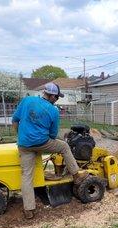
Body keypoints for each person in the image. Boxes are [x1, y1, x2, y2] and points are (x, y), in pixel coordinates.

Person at [12, 82, 88, 219]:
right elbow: (52, 135)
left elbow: (15, 121)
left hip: (24, 145)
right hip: (41, 143)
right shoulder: (53, 111)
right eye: (57, 97)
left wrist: (21, 137)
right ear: (52, 96)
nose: (57, 100)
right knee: (64, 146)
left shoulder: (27, 100)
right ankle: (76, 175)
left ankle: (29, 210)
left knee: (26, 176)